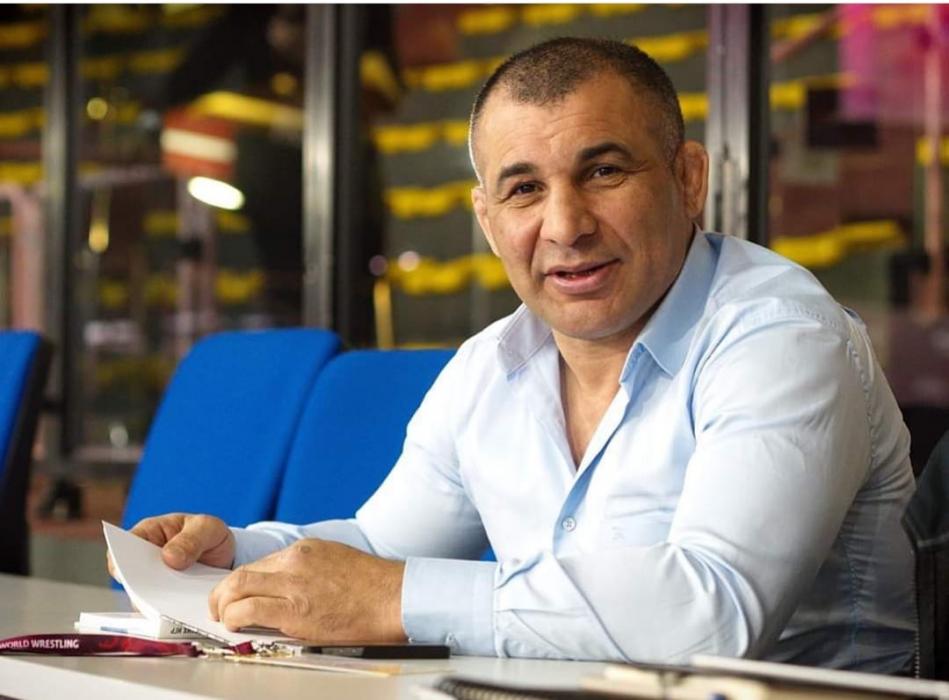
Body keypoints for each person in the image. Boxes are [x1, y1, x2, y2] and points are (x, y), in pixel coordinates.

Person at [114, 38, 916, 672]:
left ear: (687, 178)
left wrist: (395, 599)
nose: (564, 226)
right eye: (524, 189)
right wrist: (241, 557)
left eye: (603, 171)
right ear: (487, 220)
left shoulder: (780, 335)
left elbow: (713, 615)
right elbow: (384, 547)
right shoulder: (491, 365)